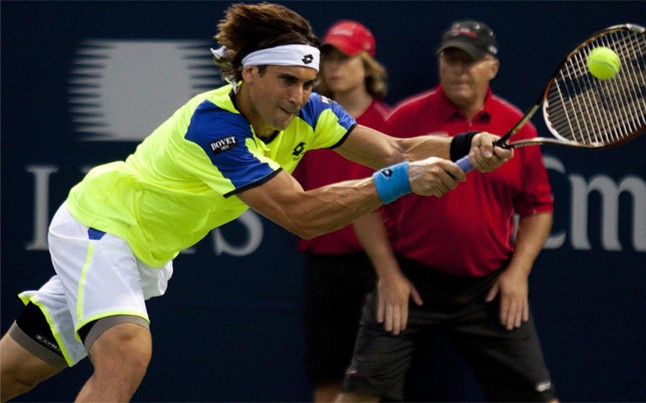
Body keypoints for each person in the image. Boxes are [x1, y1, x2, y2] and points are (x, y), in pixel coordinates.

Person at [0, 3, 511, 400]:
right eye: (287, 81)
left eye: (308, 84)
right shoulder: (214, 127)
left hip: (142, 253)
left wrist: (468, 145)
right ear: (249, 74)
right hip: (101, 226)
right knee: (127, 351)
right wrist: (403, 181)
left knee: (15, 374)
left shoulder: (311, 111)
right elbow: (301, 215)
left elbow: (395, 148)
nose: (298, 96)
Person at [337, 20, 557, 402]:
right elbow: (363, 199)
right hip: (410, 282)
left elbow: (538, 207)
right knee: (358, 395)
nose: (458, 68)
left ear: (492, 67)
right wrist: (388, 275)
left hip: (487, 289)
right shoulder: (406, 120)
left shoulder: (515, 127)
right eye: (451, 58)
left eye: (469, 60)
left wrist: (518, 274)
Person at [291, 20, 391, 403]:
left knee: (371, 380)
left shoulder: (388, 124)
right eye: (327, 58)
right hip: (324, 265)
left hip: (375, 268)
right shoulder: (306, 122)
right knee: (327, 375)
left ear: (367, 64)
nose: (334, 68)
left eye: (346, 58)